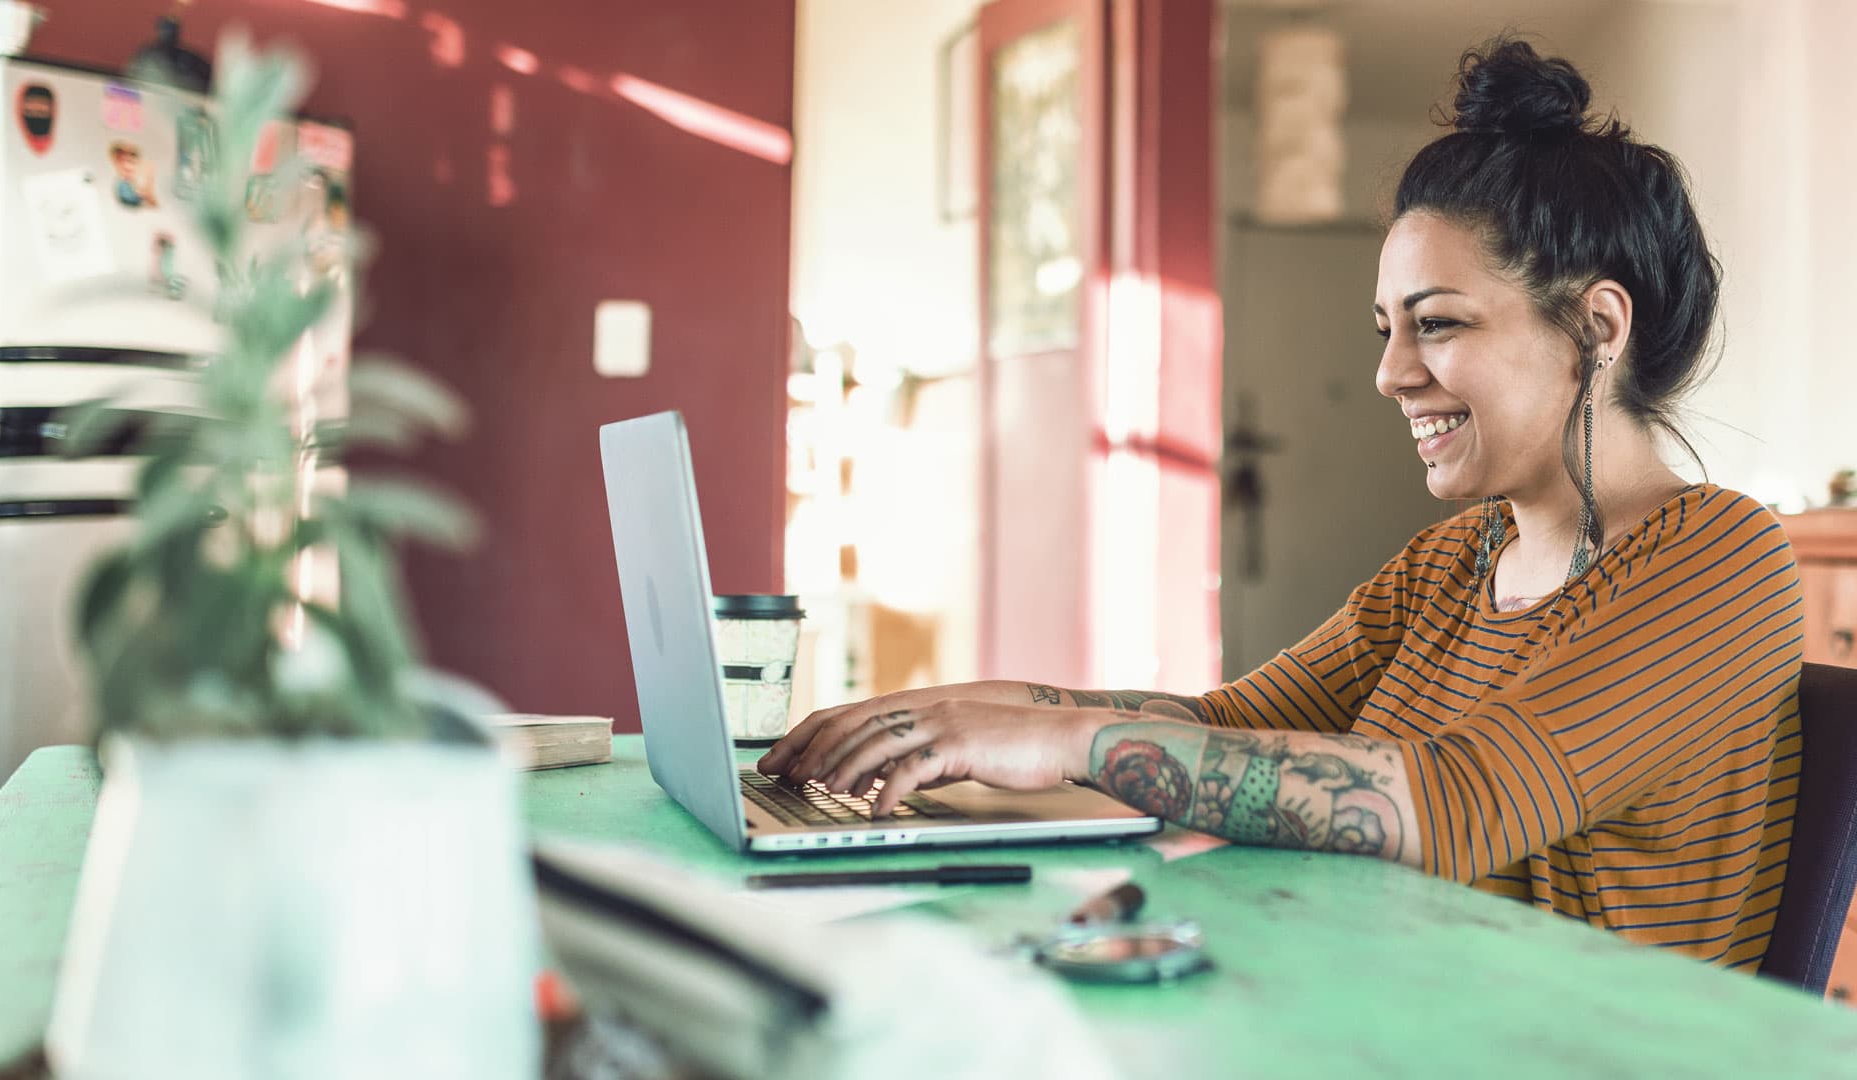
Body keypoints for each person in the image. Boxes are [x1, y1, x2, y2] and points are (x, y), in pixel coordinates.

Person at [759, 37, 1802, 970]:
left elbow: (1458, 803)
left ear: (1597, 325)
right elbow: (1223, 728)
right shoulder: (1449, 566)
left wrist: (1064, 744)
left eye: (1435, 324)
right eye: (1387, 328)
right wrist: (956, 719)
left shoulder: (1719, 557)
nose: (1393, 373)